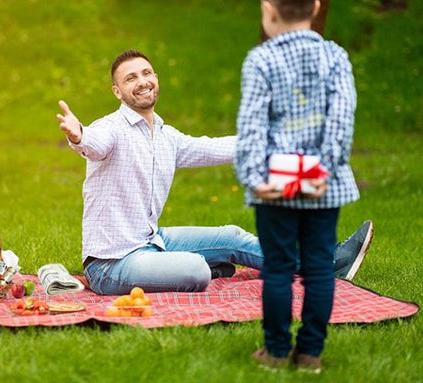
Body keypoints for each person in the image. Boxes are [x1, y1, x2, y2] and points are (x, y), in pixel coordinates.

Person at [55, 49, 372, 298]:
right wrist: (78, 135)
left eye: (146, 73)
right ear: (117, 91)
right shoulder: (110, 128)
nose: (142, 81)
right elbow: (94, 144)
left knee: (232, 236)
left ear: (156, 78)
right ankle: (205, 266)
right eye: (130, 78)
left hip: (150, 240)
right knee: (196, 271)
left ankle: (328, 262)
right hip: (111, 264)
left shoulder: (166, 136)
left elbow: (212, 147)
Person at [234, 0, 361, 373]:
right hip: (324, 187)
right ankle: (310, 354)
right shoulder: (335, 57)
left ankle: (274, 351)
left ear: (268, 9)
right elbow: (341, 120)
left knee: (278, 267)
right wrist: (322, 171)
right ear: (317, 7)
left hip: (275, 185)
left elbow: (252, 127)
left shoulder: (260, 60)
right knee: (320, 267)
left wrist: (255, 179)